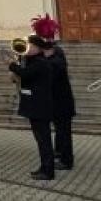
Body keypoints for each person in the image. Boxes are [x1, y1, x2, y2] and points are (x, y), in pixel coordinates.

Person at [8, 16, 61, 181]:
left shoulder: (40, 63)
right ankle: (44, 167)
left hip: (40, 106)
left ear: (38, 48)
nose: (27, 48)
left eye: (30, 46)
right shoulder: (33, 61)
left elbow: (25, 74)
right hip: (35, 106)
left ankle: (48, 171)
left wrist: (11, 64)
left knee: (44, 140)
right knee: (41, 139)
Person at [40, 19, 76, 170]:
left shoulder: (56, 56)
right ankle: (59, 153)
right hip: (54, 100)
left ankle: (66, 160)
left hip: (62, 101)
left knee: (63, 132)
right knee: (60, 131)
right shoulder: (53, 54)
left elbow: (54, 73)